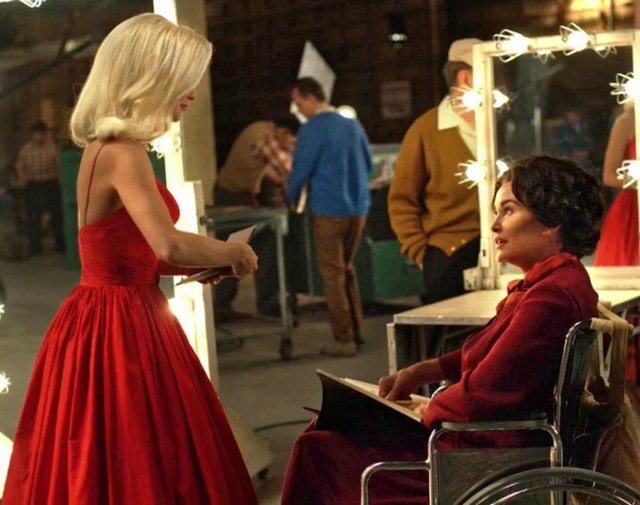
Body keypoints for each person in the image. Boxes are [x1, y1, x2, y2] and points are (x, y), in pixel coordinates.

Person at [3, 13, 259, 505]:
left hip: (109, 313)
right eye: (184, 81)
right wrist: (235, 252)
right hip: (121, 323)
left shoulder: (107, 148)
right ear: (151, 78)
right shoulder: (124, 153)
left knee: (114, 453)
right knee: (139, 454)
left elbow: (137, 253)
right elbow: (168, 245)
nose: (191, 95)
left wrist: (204, 263)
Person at [281, 155, 604, 504]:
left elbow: (481, 395)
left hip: (486, 456)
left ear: (551, 221)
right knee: (328, 430)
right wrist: (424, 371)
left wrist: (426, 408)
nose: (495, 225)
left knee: (318, 448)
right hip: (487, 441)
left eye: (508, 211)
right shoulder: (553, 283)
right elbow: (498, 356)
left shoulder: (550, 297)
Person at [388, 38, 482, 309]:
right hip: (450, 254)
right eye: (488, 70)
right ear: (465, 77)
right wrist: (421, 253)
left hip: (505, 253)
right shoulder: (426, 130)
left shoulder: (499, 123)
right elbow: (401, 201)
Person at [287, 76, 373, 357]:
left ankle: (344, 339)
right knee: (347, 268)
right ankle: (357, 330)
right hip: (358, 209)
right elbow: (368, 163)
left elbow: (300, 170)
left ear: (311, 98)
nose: (297, 109)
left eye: (298, 103)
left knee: (332, 274)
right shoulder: (351, 123)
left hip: (329, 210)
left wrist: (292, 198)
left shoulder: (312, 128)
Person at [214, 117, 299, 319]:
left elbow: (269, 170)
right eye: (292, 142)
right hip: (231, 197)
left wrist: (281, 183)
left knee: (261, 245)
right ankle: (223, 306)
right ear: (283, 132)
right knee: (234, 250)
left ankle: (264, 302)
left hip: (243, 196)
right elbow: (286, 166)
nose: (291, 147)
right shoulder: (264, 137)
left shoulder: (263, 132)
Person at [15, 120, 65, 255]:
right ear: (33, 134)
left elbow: (59, 166)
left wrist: (60, 181)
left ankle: (61, 246)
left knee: (57, 216)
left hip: (51, 184)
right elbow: (20, 165)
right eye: (37, 133)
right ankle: (35, 248)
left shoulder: (53, 148)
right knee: (33, 217)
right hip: (33, 186)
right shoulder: (26, 149)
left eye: (42, 133)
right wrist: (22, 178)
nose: (40, 136)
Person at [553, 105, 596, 178]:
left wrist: (587, 152)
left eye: (574, 116)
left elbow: (592, 143)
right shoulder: (562, 131)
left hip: (587, 162)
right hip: (569, 162)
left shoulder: (586, 128)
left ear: (578, 116)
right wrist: (572, 153)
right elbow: (558, 147)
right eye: (569, 117)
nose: (572, 119)